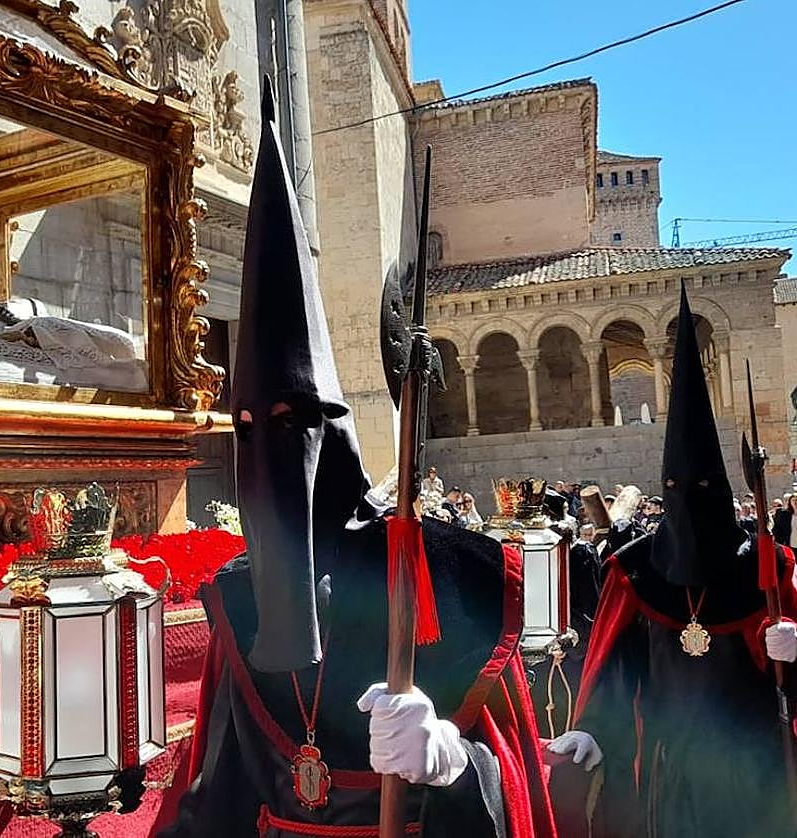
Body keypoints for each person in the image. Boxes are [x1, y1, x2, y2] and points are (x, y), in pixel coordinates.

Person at [154, 81, 556, 838]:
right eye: (245, 428)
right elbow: (221, 789)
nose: (268, 447)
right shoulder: (240, 598)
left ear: (332, 428)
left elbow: (518, 776)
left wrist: (451, 762)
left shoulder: (458, 576)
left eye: (291, 421)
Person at [546, 284, 797, 838]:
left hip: (755, 767)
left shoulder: (767, 566)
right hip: (669, 770)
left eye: (702, 488)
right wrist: (590, 728)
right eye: (675, 488)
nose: (689, 498)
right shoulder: (637, 571)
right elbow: (617, 667)